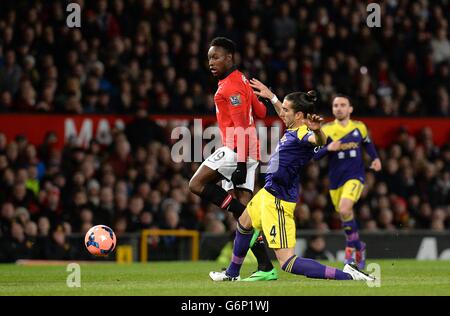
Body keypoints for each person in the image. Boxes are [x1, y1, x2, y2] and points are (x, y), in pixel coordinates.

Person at [209, 81, 374, 282]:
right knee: (244, 223)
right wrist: (271, 96)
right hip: (268, 193)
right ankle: (231, 274)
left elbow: (319, 141)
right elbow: (282, 112)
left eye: (287, 110)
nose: (282, 113)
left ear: (298, 116)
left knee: (287, 262)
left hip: (277, 200)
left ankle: (348, 275)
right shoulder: (294, 126)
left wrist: (318, 131)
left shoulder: (304, 132)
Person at [188, 37, 277, 281]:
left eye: (216, 57)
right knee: (244, 217)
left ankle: (244, 263)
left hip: (238, 149)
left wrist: (238, 163)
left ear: (229, 57)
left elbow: (241, 126)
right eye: (209, 58)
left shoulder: (230, 86)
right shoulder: (242, 81)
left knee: (196, 184)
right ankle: (264, 267)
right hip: (250, 151)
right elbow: (261, 112)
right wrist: (252, 95)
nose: (211, 63)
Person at [313, 94, 382, 269]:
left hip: (355, 177)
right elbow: (314, 155)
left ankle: (350, 250)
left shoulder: (359, 127)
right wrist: (328, 148)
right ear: (332, 109)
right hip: (335, 181)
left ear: (350, 109)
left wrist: (375, 158)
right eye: (336, 105)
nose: (339, 108)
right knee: (345, 215)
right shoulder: (326, 130)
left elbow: (367, 143)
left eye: (343, 105)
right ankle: (359, 247)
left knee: (345, 209)